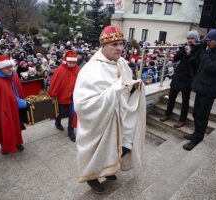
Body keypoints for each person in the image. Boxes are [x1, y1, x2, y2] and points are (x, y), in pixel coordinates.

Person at [73, 26, 146, 194]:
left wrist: (133, 87)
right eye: (114, 44)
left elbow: (124, 87)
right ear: (103, 46)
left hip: (117, 117)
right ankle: (92, 176)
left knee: (115, 147)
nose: (119, 48)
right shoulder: (90, 70)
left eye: (121, 43)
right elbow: (82, 105)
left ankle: (109, 170)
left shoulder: (120, 62)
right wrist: (116, 90)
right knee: (97, 150)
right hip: (98, 122)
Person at [183, 29, 216, 151]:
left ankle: (197, 138)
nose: (207, 43)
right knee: (196, 113)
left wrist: (202, 52)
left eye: (209, 41)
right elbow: (201, 64)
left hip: (210, 89)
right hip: (202, 87)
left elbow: (212, 67)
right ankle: (196, 134)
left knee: (202, 115)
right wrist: (195, 52)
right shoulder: (211, 50)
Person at [160, 30, 200, 128]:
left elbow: (197, 64)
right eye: (188, 38)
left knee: (185, 101)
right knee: (171, 97)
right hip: (178, 76)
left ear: (196, 39)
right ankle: (167, 114)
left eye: (192, 38)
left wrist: (190, 54)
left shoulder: (199, 49)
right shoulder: (184, 47)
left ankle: (182, 119)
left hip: (188, 78)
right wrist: (182, 50)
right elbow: (175, 59)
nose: (190, 40)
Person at [48, 50, 80, 142]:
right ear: (66, 61)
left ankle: (71, 131)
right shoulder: (60, 70)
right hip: (61, 98)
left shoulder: (78, 70)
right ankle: (57, 122)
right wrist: (53, 95)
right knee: (60, 113)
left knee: (72, 114)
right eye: (70, 62)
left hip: (72, 98)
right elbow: (55, 84)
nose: (72, 65)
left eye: (74, 63)